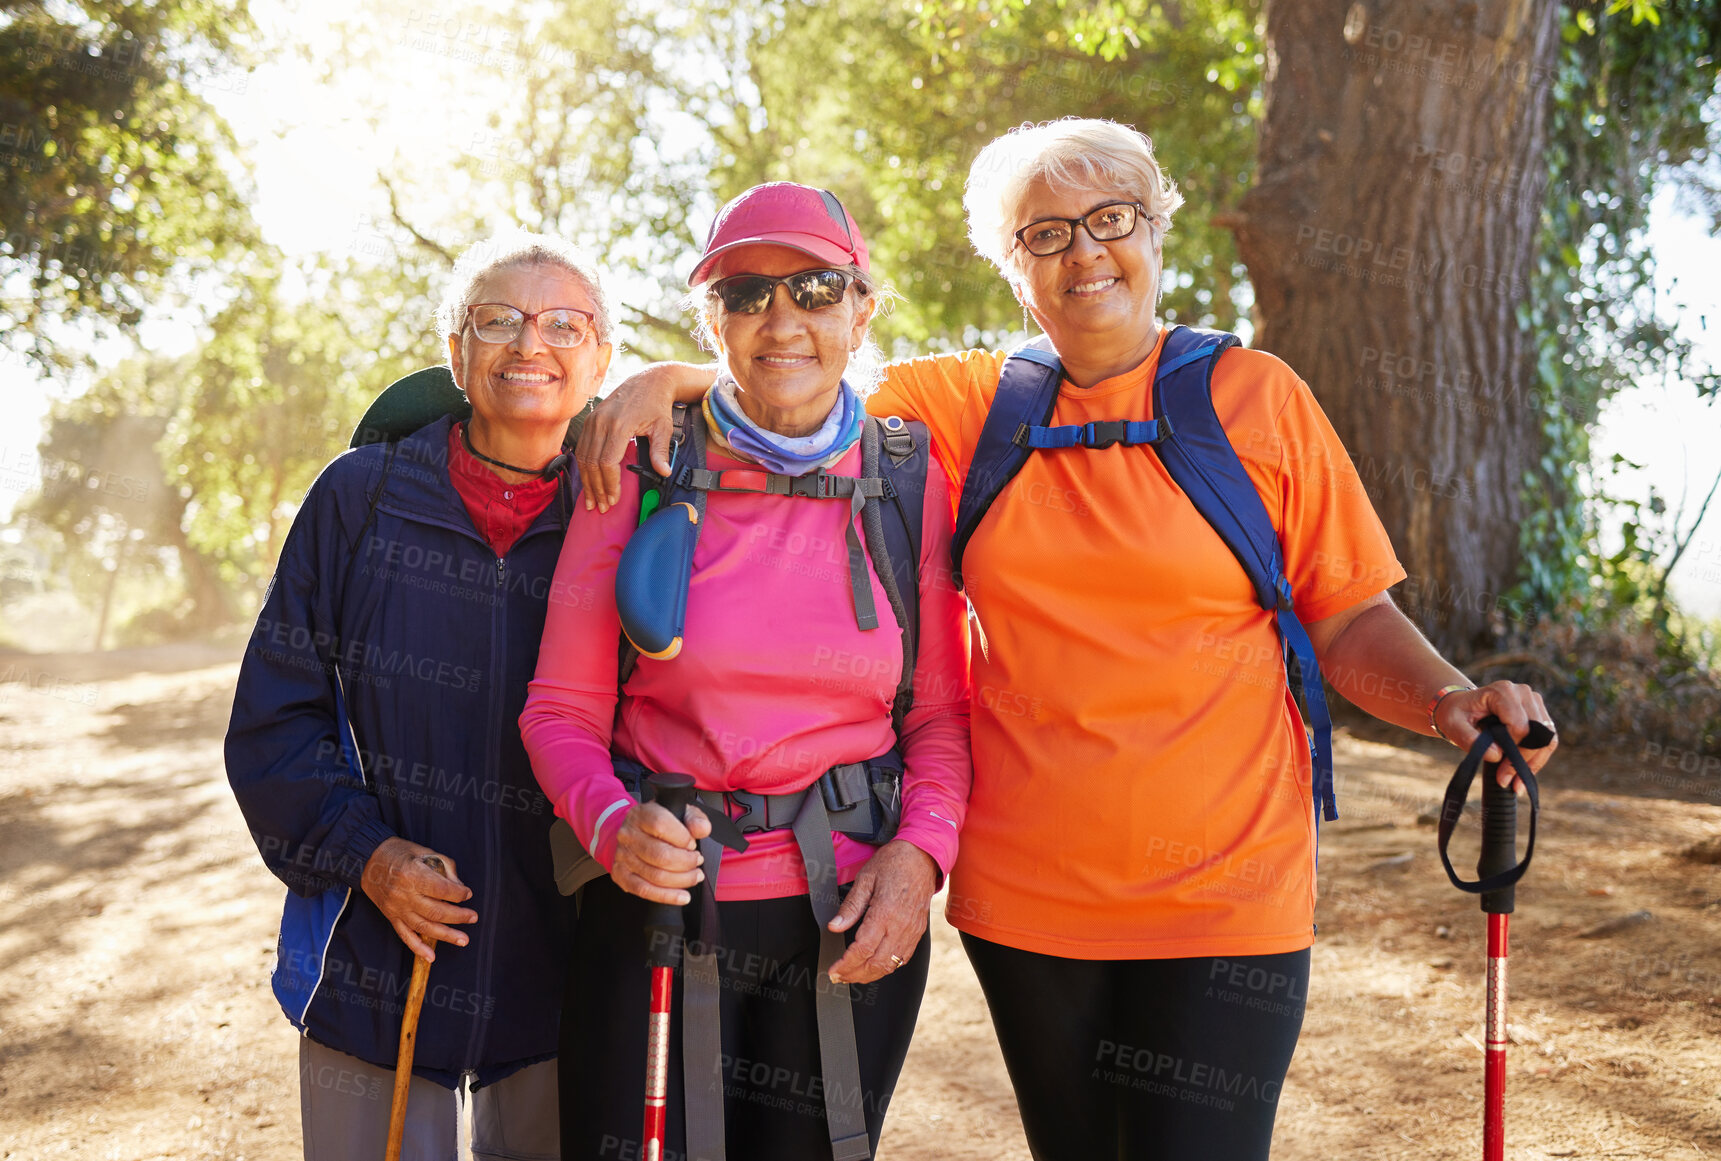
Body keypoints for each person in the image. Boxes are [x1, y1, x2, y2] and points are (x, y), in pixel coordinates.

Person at [574, 119, 1559, 1161]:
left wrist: (1449, 699)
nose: (1084, 252)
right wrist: (669, 379)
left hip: (1225, 893)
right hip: (1028, 901)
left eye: (1109, 219)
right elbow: (794, 383)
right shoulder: (957, 407)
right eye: (1043, 235)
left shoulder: (1256, 400)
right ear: (1011, 265)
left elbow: (1348, 614)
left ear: (1154, 228)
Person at [519, 182, 971, 1161]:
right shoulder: (640, 461)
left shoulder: (904, 476)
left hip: (849, 918)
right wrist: (609, 826)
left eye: (813, 289)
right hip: (656, 911)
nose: (781, 319)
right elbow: (558, 709)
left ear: (860, 310)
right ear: (710, 317)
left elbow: (939, 715)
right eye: (745, 292)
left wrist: (918, 857)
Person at [225, 232, 612, 1160]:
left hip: (569, 961)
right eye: (497, 321)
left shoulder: (625, 513)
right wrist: (367, 854)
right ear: (455, 353)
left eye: (565, 324)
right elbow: (275, 720)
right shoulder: (357, 500)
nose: (530, 345)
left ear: (602, 360)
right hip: (375, 955)